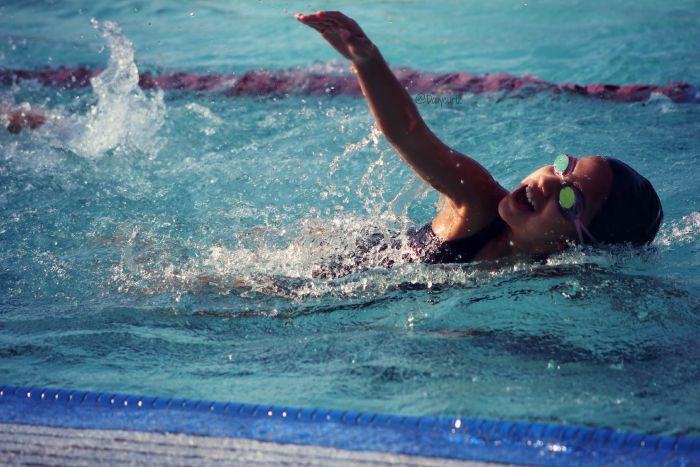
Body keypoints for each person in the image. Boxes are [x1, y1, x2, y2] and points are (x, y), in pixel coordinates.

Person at [295, 11, 663, 265]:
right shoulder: (479, 201)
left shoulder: (551, 274)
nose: (550, 180)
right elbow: (407, 132)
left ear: (576, 244)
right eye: (565, 166)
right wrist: (365, 57)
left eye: (570, 198)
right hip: (327, 275)